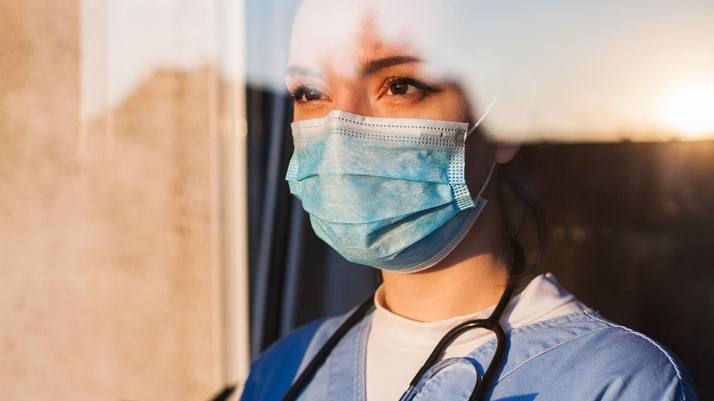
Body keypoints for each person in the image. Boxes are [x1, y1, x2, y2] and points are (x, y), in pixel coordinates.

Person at [240, 1, 700, 400]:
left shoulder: (618, 383)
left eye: (399, 85)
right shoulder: (284, 372)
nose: (341, 130)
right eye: (311, 93)